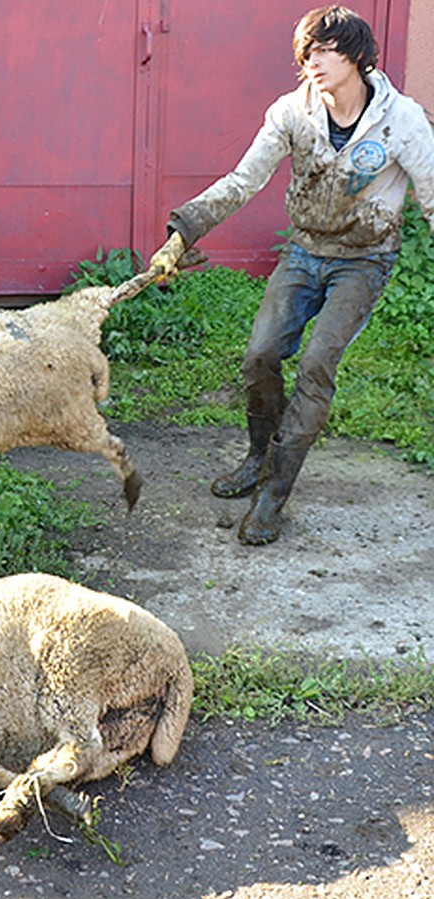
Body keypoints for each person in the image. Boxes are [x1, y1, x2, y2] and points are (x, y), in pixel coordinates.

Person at [152, 5, 434, 546]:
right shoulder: (291, 113)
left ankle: (273, 496)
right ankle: (259, 456)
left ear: (357, 56)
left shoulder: (403, 121)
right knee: (259, 356)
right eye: (307, 54)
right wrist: (183, 232)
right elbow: (242, 181)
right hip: (304, 254)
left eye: (326, 51)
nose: (314, 63)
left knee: (317, 362)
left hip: (365, 259)